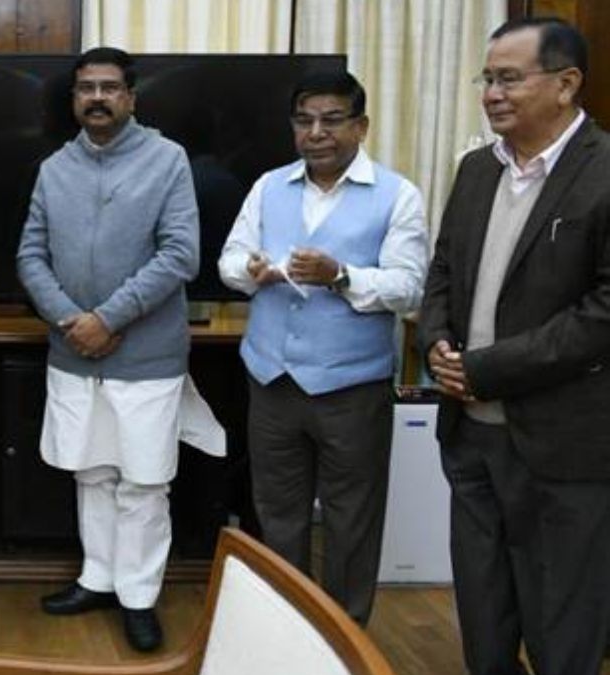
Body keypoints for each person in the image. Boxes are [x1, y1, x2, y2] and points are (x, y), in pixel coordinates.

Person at [419, 17, 610, 675]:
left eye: (509, 78)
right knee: (484, 611)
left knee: (563, 623)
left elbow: (602, 313)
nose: (492, 93)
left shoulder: (605, 172)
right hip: (470, 436)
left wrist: (486, 369)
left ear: (566, 84)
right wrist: (437, 343)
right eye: (487, 79)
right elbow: (442, 271)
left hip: (563, 445)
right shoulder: (477, 169)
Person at [218, 71, 428, 626]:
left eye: (332, 120)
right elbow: (229, 260)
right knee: (278, 515)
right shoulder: (268, 186)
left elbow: (409, 287)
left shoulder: (397, 194)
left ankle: (343, 633)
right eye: (305, 121)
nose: (317, 133)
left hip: (351, 389)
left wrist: (341, 276)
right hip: (271, 380)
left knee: (351, 519)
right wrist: (252, 270)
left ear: (360, 126)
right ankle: (285, 630)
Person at [17, 47, 200, 653]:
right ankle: (97, 578)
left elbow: (180, 254)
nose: (97, 98)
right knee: (92, 472)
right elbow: (30, 255)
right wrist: (74, 320)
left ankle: (139, 596)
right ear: (73, 100)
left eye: (109, 88)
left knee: (144, 483)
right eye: (85, 89)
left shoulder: (166, 159)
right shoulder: (54, 168)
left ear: (131, 97)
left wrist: (109, 317)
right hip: (75, 352)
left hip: (146, 358)